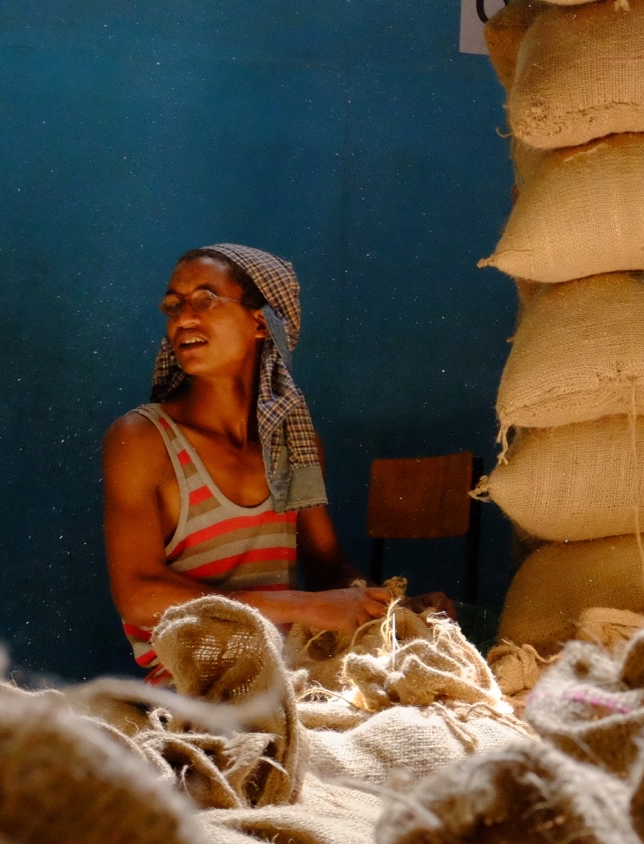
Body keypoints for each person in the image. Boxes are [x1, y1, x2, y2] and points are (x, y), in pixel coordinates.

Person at [102, 244, 449, 682]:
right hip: (197, 682)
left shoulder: (294, 443)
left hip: (293, 670)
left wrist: (395, 608)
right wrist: (303, 606)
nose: (183, 318)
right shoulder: (143, 439)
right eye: (174, 306)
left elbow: (328, 570)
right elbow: (137, 595)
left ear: (261, 321)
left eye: (205, 300)